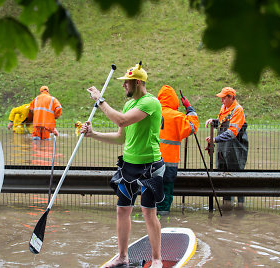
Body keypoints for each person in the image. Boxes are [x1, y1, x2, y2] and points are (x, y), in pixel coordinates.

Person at [81, 62, 165, 268]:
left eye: (126, 83)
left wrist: (100, 100)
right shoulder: (129, 105)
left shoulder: (150, 103)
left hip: (150, 167)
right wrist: (94, 134)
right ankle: (122, 257)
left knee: (148, 211)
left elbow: (121, 121)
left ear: (137, 82)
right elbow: (121, 137)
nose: (123, 86)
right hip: (128, 166)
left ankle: (156, 259)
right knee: (122, 210)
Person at [156, 85, 199, 215]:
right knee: (166, 195)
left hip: (149, 162)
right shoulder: (177, 117)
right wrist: (189, 108)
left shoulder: (150, 113)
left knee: (149, 194)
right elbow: (192, 126)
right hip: (169, 165)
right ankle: (163, 223)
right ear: (174, 100)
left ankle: (148, 223)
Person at [205, 87, 248, 207]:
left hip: (236, 150)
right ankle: (227, 205)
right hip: (223, 149)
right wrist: (213, 121)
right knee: (223, 176)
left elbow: (232, 132)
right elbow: (222, 121)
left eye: (224, 98)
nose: (221, 100)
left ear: (230, 97)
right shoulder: (224, 108)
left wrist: (215, 139)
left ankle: (240, 206)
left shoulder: (238, 110)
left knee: (236, 178)